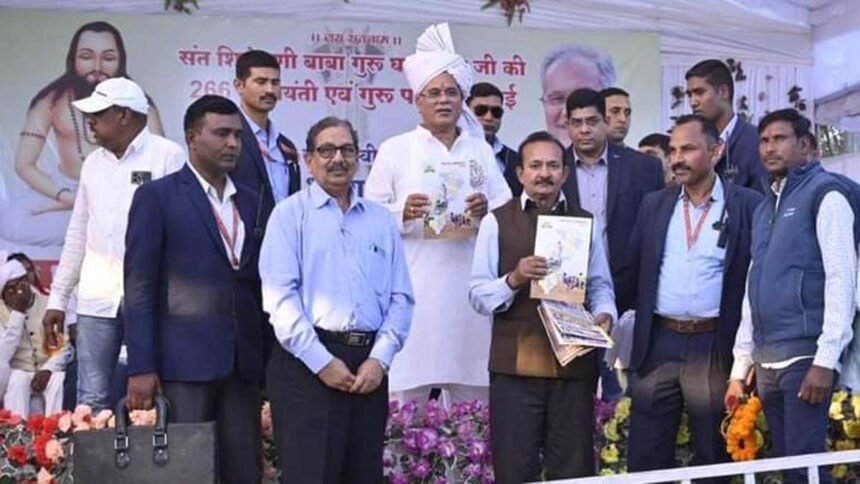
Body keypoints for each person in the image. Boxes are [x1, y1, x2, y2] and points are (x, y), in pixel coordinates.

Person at [364, 23, 512, 406]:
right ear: (417, 100)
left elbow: (508, 211)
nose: (443, 100)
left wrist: (486, 211)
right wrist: (402, 212)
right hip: (415, 291)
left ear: (462, 99)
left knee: (474, 405)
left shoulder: (479, 150)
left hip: (469, 295)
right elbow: (367, 217)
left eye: (451, 92)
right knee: (405, 401)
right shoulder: (396, 149)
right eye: (434, 93)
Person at [260, 117, 414, 483]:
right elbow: (280, 299)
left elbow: (401, 297)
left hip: (368, 370)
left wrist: (380, 359)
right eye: (326, 150)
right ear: (309, 159)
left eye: (347, 150)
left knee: (363, 475)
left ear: (358, 157)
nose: (338, 159)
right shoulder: (289, 216)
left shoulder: (379, 220)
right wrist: (322, 362)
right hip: (306, 365)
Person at [124, 95, 265, 483]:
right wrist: (141, 366)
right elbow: (139, 286)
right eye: (221, 134)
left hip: (243, 363)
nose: (232, 143)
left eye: (237, 135)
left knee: (244, 471)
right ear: (191, 138)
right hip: (184, 365)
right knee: (188, 472)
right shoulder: (157, 197)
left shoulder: (252, 201)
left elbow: (259, 285)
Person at [469, 131, 616, 482]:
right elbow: (477, 295)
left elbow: (600, 284)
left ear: (565, 173)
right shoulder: (496, 221)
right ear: (520, 173)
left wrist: (604, 313)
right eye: (535, 166)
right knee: (514, 469)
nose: (544, 174)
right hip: (514, 370)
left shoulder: (585, 221)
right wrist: (514, 278)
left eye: (552, 166)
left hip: (573, 368)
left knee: (574, 471)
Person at [619, 114, 762, 474]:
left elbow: (758, 279)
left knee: (713, 453)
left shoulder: (747, 205)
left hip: (714, 343)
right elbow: (632, 271)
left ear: (716, 151)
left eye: (688, 149)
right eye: (673, 150)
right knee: (646, 454)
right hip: (658, 341)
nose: (677, 159)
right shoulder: (655, 204)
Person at [727, 109, 857, 484]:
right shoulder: (764, 207)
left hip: (806, 355)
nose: (769, 148)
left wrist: (826, 360)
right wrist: (740, 368)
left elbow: (841, 278)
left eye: (780, 139)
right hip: (767, 359)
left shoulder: (827, 195)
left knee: (804, 470)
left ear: (806, 145)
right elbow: (753, 286)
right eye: (764, 141)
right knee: (790, 469)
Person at [41, 77, 185, 412]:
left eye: (97, 113)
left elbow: (180, 235)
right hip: (97, 300)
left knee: (153, 397)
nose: (89, 121)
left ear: (123, 115)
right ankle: (90, 450)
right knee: (90, 400)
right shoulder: (93, 164)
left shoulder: (168, 156)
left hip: (150, 300)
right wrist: (58, 299)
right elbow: (78, 232)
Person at [4, 22, 164, 254]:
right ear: (73, 59)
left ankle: (98, 227)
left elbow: (156, 169)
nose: (97, 67)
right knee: (12, 220)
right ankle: (98, 228)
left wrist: (114, 194)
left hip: (120, 192)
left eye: (108, 58)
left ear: (120, 61)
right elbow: (24, 164)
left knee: (142, 217)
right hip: (64, 188)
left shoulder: (140, 106)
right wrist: (67, 197)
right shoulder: (51, 101)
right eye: (87, 57)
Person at [561, 88, 664, 400]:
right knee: (572, 396)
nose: (584, 130)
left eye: (592, 121)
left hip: (627, 296)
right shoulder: (552, 166)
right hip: (566, 297)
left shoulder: (644, 168)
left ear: (604, 121)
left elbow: (654, 234)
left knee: (622, 396)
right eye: (576, 122)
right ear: (567, 124)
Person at [231, 50, 304, 233]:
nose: (270, 90)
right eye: (261, 82)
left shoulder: (286, 146)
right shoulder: (229, 139)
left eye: (275, 82)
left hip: (284, 240)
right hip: (240, 241)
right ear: (239, 86)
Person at [1, 258, 71, 418]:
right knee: (17, 379)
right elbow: (3, 354)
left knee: (58, 378)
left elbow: (63, 347)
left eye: (20, 285)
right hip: (17, 371)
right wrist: (18, 313)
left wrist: (48, 369)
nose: (17, 293)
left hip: (47, 368)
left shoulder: (49, 305)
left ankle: (55, 429)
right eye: (10, 289)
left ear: (27, 283)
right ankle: (16, 431)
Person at [685, 59, 767, 191]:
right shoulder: (692, 144)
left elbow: (763, 198)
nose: (693, 102)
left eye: (699, 92)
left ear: (723, 92)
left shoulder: (756, 142)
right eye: (689, 95)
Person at [539, 44, 617, 146]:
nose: (566, 112)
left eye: (582, 97)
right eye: (557, 99)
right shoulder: (526, 154)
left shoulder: (630, 156)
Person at [467, 82, 521, 195]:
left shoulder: (516, 160)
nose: (489, 117)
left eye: (496, 112)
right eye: (481, 110)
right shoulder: (447, 153)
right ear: (465, 113)